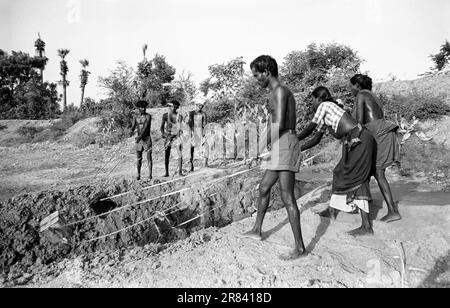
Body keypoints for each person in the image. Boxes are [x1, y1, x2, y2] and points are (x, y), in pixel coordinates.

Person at [243, 55, 306, 260]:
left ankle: (299, 248)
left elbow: (278, 124)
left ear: (267, 72)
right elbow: (271, 126)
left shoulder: (279, 91)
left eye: (256, 75)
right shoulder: (277, 92)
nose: (256, 79)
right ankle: (257, 229)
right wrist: (258, 148)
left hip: (285, 143)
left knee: (287, 196)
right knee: (264, 188)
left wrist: (256, 150)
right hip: (280, 144)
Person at [297, 86, 377, 237]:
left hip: (359, 139)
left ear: (319, 99)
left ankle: (366, 226)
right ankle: (333, 210)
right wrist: (298, 148)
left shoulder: (324, 105)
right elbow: (315, 138)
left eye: (313, 100)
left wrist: (294, 140)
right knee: (339, 172)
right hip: (354, 141)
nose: (312, 104)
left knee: (356, 177)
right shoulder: (327, 114)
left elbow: (310, 128)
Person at [350, 74, 402, 223]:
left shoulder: (360, 95)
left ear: (357, 86)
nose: (351, 90)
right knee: (371, 169)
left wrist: (353, 140)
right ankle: (367, 199)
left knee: (378, 172)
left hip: (379, 134)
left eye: (351, 86)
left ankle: (393, 211)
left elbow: (359, 122)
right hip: (383, 132)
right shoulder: (372, 95)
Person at [130, 100, 152, 181]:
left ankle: (150, 175)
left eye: (144, 107)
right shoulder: (135, 117)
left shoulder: (148, 116)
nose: (144, 109)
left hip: (147, 139)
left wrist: (139, 137)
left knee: (149, 157)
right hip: (139, 140)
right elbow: (132, 127)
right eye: (142, 107)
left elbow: (145, 128)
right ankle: (138, 175)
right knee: (139, 158)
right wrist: (130, 131)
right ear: (138, 108)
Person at [161, 100, 183, 177]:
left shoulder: (179, 116)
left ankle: (180, 172)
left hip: (176, 136)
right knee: (167, 154)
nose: (173, 108)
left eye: (175, 107)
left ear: (177, 107)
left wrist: (173, 136)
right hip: (168, 136)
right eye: (172, 106)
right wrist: (164, 134)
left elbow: (179, 129)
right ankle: (166, 172)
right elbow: (161, 128)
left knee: (179, 153)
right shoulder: (165, 115)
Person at [187, 96, 208, 172]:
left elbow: (205, 124)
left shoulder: (203, 114)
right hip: (193, 131)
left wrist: (203, 133)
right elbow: (190, 123)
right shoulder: (191, 113)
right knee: (191, 148)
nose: (200, 107)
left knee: (206, 146)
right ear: (196, 105)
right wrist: (192, 132)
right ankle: (191, 166)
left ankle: (206, 163)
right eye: (199, 106)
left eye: (201, 106)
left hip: (201, 131)